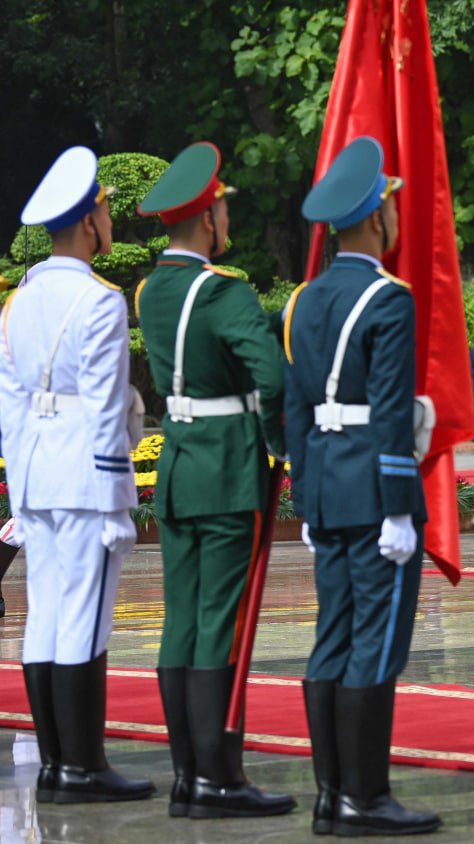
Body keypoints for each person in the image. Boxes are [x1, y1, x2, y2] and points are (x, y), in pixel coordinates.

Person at [283, 136, 441, 836]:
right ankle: (365, 798)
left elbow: (294, 411)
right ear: (376, 219)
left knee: (332, 639)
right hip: (375, 496)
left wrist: (307, 496)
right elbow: (388, 411)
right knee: (375, 644)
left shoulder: (305, 298)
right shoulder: (387, 299)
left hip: (326, 489)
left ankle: (329, 795)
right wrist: (401, 508)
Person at [135, 141, 296, 819]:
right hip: (227, 468)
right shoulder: (222, 289)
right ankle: (220, 778)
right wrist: (281, 442)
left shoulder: (153, 290)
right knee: (220, 625)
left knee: (181, 621)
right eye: (223, 207)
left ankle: (185, 776)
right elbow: (272, 376)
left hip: (177, 467)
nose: (227, 217)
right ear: (208, 219)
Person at [0, 147, 154, 802]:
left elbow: (8, 402)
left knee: (45, 618)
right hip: (83, 481)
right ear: (89, 224)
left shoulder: (20, 300)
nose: (110, 217)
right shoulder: (100, 301)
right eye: (106, 208)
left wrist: (21, 485)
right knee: (85, 621)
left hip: (36, 473)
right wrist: (116, 496)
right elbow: (103, 408)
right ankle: (83, 767)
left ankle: (60, 764)